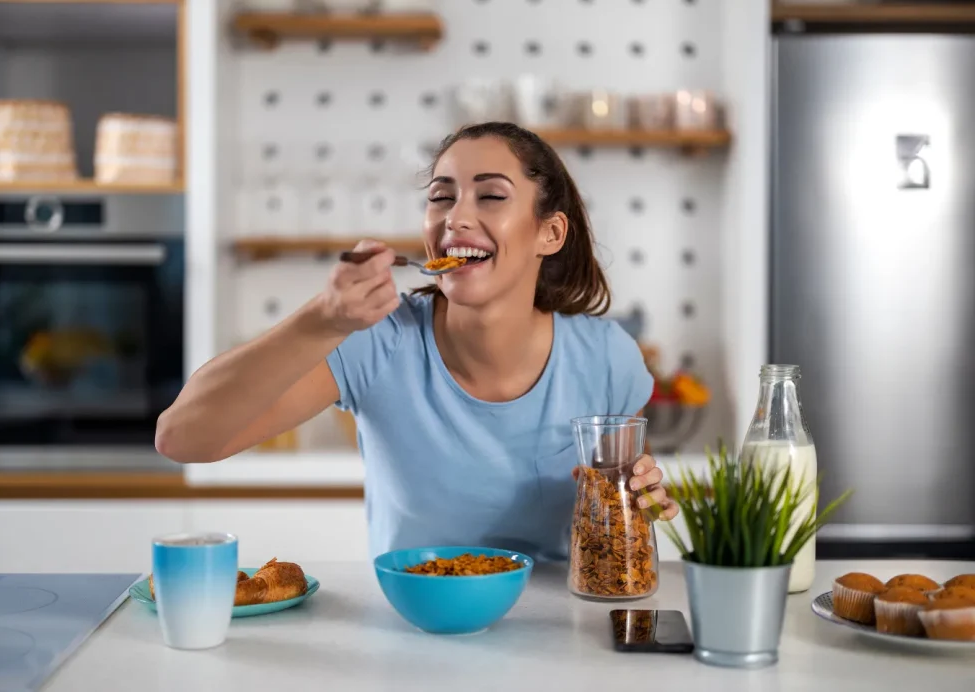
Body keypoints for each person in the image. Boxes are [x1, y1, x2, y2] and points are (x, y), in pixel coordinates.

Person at [155, 121, 679, 560]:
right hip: (413, 634)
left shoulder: (608, 358)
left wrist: (644, 503)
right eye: (441, 198)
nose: (456, 217)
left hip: (561, 635)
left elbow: (627, 538)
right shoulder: (375, 341)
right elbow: (182, 439)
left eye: (491, 196)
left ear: (551, 233)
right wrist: (324, 319)